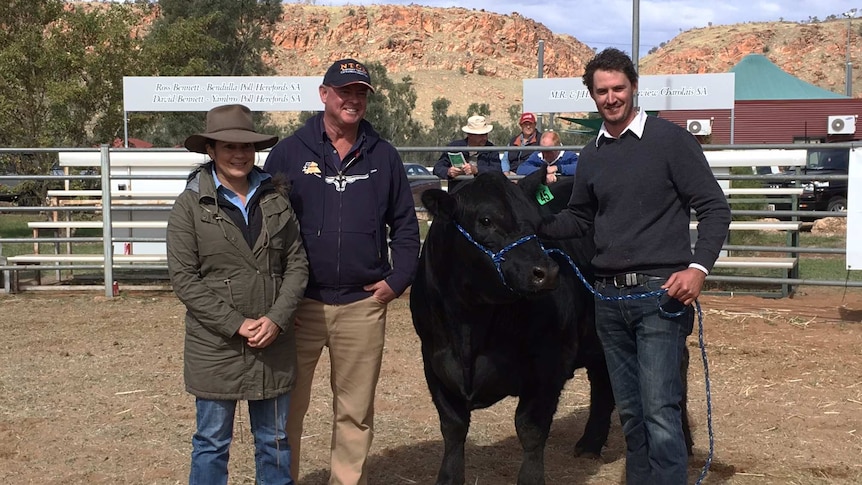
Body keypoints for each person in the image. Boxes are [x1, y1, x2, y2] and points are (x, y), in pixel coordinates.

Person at [539, 48, 731, 484]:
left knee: (661, 410)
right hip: (606, 296)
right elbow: (581, 218)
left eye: (618, 88)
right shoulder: (592, 154)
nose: (611, 98)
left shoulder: (670, 141)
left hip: (661, 293)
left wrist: (698, 269)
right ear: (591, 95)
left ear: (634, 87)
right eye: (602, 91)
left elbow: (714, 208)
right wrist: (535, 223)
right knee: (631, 413)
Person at [263, 58, 420, 485]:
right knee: (283, 408)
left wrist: (395, 280)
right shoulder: (290, 152)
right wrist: (278, 298)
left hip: (362, 305)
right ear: (324, 94)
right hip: (300, 306)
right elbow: (267, 227)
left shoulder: (383, 156)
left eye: (361, 93)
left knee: (355, 411)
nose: (353, 100)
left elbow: (406, 224)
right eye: (345, 91)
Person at [167, 104, 309, 485]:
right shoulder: (189, 207)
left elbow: (297, 264)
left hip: (272, 341)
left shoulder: (276, 200)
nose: (239, 155)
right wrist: (236, 323)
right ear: (210, 150)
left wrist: (277, 318)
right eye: (228, 146)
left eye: (246, 147)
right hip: (216, 346)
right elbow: (184, 278)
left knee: (275, 440)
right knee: (212, 441)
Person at [432, 115, 501, 189]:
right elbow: (438, 168)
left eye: (486, 134)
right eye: (481, 135)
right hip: (458, 191)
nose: (485, 138)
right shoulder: (455, 147)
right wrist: (449, 172)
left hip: (483, 192)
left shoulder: (491, 149)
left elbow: (497, 170)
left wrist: (477, 170)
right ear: (470, 135)